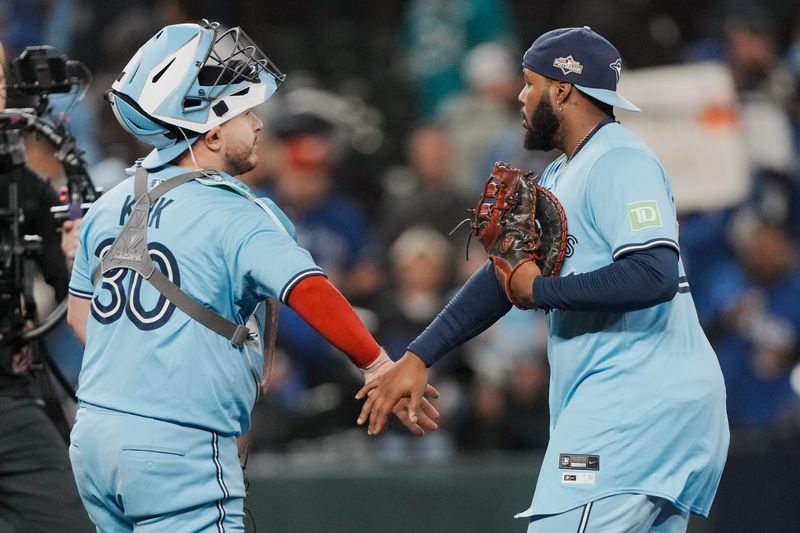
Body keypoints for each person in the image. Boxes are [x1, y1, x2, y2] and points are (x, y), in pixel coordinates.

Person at [65, 21, 437, 531]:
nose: (260, 124)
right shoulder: (238, 213)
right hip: (177, 446)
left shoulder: (108, 204)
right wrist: (374, 363)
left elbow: (80, 316)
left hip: (94, 442)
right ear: (213, 131)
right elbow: (307, 287)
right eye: (247, 111)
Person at [358, 26, 729, 533]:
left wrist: (540, 291)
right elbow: (503, 279)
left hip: (632, 409)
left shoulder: (620, 160)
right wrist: (421, 355)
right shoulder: (560, 174)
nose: (520, 96)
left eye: (529, 83)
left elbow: (653, 273)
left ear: (562, 89)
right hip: (637, 410)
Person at [0, 41, 94, 532]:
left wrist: (84, 260)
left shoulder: (22, 184)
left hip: (9, 398)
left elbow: (80, 296)